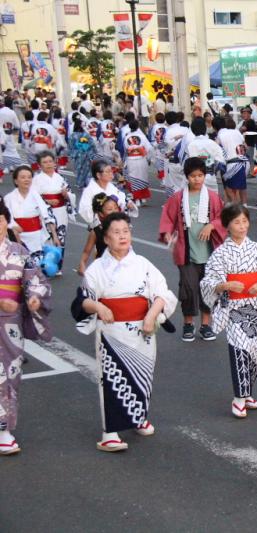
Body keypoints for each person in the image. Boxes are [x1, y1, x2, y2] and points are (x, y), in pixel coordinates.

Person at [74, 212, 178, 452]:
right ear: (106, 239)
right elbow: (82, 301)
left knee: (143, 374)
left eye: (126, 231)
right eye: (116, 233)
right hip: (112, 332)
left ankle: (138, 416)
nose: (122, 236)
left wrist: (152, 315)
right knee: (111, 379)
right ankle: (109, 432)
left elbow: (163, 293)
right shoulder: (97, 268)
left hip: (143, 329)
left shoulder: (143, 264)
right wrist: (99, 306)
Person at [200, 203, 257, 417]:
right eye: (236, 222)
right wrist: (224, 286)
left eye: (245, 221)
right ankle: (239, 398)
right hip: (234, 308)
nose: (242, 226)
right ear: (227, 226)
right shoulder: (221, 253)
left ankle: (246, 390)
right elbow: (209, 280)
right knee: (240, 348)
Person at [0, 200, 51, 456]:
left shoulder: (18, 251)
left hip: (10, 323)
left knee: (10, 373)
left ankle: (4, 431)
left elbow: (36, 279)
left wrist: (33, 297)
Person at [159, 157, 226, 342]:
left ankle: (206, 325)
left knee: (209, 289)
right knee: (188, 289)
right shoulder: (178, 198)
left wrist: (212, 225)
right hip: (186, 252)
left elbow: (222, 218)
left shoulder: (212, 197)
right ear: (186, 177)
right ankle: (188, 323)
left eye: (200, 175)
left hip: (209, 252)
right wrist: (166, 233)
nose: (197, 179)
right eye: (193, 176)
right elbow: (168, 218)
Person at [4, 166, 60, 265]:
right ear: (16, 181)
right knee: (20, 266)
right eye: (23, 177)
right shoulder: (9, 198)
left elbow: (47, 215)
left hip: (36, 236)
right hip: (18, 235)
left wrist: (55, 236)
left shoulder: (36, 196)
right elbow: (6, 217)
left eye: (29, 177)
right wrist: (13, 226)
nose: (27, 180)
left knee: (37, 266)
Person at [32, 151, 73, 269]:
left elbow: (71, 194)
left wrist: (66, 195)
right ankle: (46, 267)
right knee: (47, 238)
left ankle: (58, 266)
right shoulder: (37, 180)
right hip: (45, 213)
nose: (49, 164)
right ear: (40, 165)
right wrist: (46, 201)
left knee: (61, 237)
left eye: (50, 161)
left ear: (55, 163)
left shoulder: (60, 177)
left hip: (60, 210)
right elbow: (33, 196)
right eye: (45, 162)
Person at [78, 161, 133, 226]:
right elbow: (84, 209)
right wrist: (100, 213)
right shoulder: (89, 190)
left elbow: (122, 198)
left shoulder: (111, 186)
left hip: (116, 223)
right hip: (100, 225)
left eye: (111, 171)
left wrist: (128, 203)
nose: (111, 173)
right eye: (108, 171)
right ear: (98, 175)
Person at [77, 193, 119, 276]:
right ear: (101, 214)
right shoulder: (96, 231)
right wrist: (82, 264)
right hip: (103, 268)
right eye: (110, 209)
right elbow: (86, 251)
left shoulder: (123, 227)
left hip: (121, 266)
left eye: (116, 207)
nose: (114, 211)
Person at [185, 117, 226, 194]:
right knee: (212, 202)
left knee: (196, 203)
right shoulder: (212, 143)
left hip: (195, 179)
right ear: (205, 129)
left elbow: (186, 164)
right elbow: (221, 161)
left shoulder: (190, 145)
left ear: (193, 130)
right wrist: (212, 169)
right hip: (210, 178)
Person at [217, 116, 250, 205]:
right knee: (242, 187)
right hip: (244, 162)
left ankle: (234, 208)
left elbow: (216, 147)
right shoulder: (238, 132)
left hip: (232, 163)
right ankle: (244, 206)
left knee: (229, 188)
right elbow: (245, 146)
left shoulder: (221, 135)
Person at [121, 119, 154, 205]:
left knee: (133, 179)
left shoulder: (126, 137)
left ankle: (137, 199)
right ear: (138, 127)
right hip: (141, 159)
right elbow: (149, 148)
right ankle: (142, 198)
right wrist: (149, 158)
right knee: (142, 178)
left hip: (130, 160)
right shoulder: (142, 136)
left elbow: (124, 150)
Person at [66, 119, 98, 189]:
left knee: (78, 169)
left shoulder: (72, 135)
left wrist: (70, 155)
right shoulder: (86, 135)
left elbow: (70, 146)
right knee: (87, 169)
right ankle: (87, 183)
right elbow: (92, 145)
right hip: (87, 154)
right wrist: (94, 153)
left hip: (77, 154)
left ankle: (79, 183)